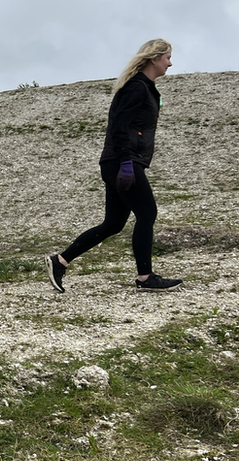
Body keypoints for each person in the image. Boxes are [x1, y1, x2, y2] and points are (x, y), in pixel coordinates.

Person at [46, 39, 182, 293]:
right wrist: (127, 162)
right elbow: (119, 127)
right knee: (147, 213)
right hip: (123, 161)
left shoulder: (145, 88)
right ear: (154, 59)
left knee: (113, 224)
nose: (170, 63)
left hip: (120, 161)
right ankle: (145, 277)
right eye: (167, 58)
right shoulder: (136, 88)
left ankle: (60, 261)